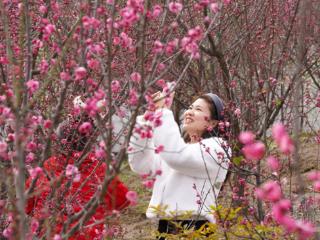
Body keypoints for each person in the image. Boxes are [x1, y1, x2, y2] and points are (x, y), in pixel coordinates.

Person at [128, 90, 230, 239]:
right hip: (166, 226)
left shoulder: (218, 148)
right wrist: (146, 120)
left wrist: (163, 112)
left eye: (198, 109)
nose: (189, 112)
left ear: (213, 122)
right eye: (190, 107)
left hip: (195, 227)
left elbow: (177, 157)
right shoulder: (182, 149)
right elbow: (140, 164)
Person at [26, 114, 130, 239]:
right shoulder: (100, 170)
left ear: (59, 142)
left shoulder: (44, 170)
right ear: (90, 141)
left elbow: (27, 205)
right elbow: (123, 201)